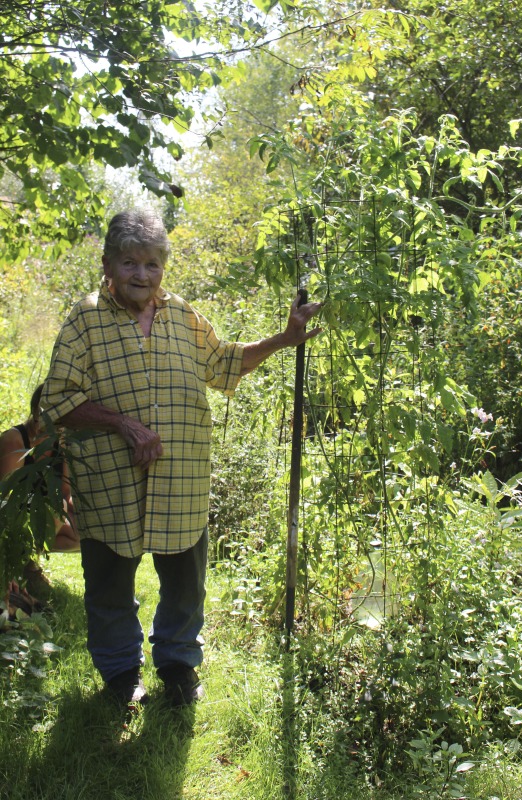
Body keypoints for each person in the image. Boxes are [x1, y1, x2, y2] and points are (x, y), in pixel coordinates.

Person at [41, 209, 321, 708]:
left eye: (151, 264)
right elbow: (59, 400)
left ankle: (177, 668)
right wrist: (123, 423)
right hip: (109, 481)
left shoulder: (184, 316)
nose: (141, 275)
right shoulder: (84, 319)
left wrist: (283, 338)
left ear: (163, 269)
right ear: (107, 264)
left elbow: (224, 363)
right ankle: (121, 675)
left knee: (186, 586)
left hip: (181, 481)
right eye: (129, 263)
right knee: (108, 588)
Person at [0, 384, 80, 612]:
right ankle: (20, 566)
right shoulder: (15, 441)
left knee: (86, 532)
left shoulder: (62, 442)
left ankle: (26, 564)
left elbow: (65, 492)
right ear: (35, 410)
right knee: (54, 513)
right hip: (16, 516)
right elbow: (5, 500)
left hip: (43, 514)